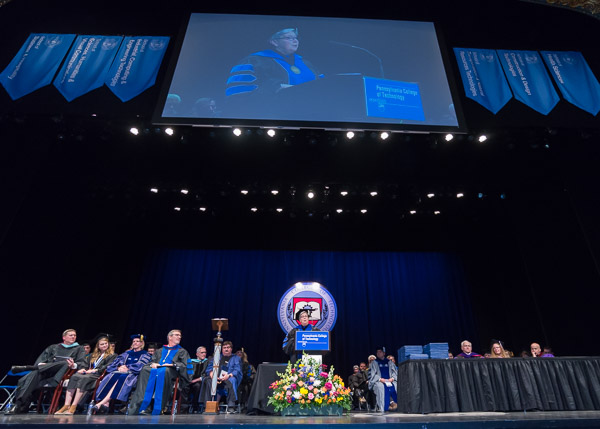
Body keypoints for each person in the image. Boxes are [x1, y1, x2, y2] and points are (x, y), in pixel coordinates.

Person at [225, 28, 323, 116]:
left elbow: (322, 85)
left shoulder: (305, 63)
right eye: (289, 38)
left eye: (296, 37)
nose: (295, 41)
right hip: (273, 116)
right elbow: (237, 96)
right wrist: (275, 88)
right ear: (274, 42)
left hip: (311, 115)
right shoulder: (254, 61)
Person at [6, 329, 86, 414]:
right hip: (45, 372)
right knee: (32, 375)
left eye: (75, 335)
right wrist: (42, 364)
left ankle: (28, 367)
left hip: (62, 374)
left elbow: (82, 363)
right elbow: (41, 361)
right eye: (71, 335)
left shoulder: (79, 348)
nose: (73, 337)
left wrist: (73, 365)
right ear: (64, 337)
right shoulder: (53, 347)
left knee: (65, 362)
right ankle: (19, 405)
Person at [128, 330, 191, 415]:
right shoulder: (160, 350)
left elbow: (185, 365)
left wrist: (172, 364)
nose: (179, 337)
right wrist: (153, 364)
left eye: (180, 335)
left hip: (170, 371)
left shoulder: (182, 351)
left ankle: (157, 407)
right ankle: (141, 405)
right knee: (145, 369)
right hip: (157, 370)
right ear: (170, 337)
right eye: (177, 335)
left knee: (164, 370)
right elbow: (152, 361)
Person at [54, 336, 116, 414]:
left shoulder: (113, 355)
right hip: (88, 373)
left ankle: (74, 405)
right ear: (98, 346)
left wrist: (96, 370)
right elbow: (85, 364)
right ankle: (66, 405)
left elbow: (109, 366)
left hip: (98, 375)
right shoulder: (93, 355)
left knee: (83, 378)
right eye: (102, 344)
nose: (104, 345)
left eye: (105, 343)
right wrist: (83, 368)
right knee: (74, 376)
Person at [92, 334, 152, 413]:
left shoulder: (145, 355)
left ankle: (102, 403)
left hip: (133, 375)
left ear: (142, 343)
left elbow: (140, 366)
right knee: (111, 376)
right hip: (120, 373)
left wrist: (127, 367)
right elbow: (113, 364)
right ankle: (105, 404)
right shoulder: (126, 354)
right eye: (134, 341)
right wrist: (118, 368)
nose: (135, 343)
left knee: (121, 378)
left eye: (137, 341)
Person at [199, 341, 242, 412]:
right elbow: (209, 368)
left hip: (228, 377)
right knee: (207, 380)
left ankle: (231, 405)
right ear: (222, 349)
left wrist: (228, 375)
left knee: (232, 380)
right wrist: (212, 374)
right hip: (216, 377)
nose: (226, 349)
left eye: (228, 347)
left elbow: (237, 370)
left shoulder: (236, 358)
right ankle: (207, 405)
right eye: (224, 348)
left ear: (231, 349)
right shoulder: (217, 357)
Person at [368, 346, 397, 413]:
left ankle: (396, 405)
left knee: (396, 385)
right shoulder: (374, 363)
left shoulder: (389, 362)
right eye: (377, 352)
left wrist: (392, 378)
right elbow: (372, 375)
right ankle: (384, 407)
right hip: (379, 381)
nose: (378, 353)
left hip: (390, 380)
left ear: (384, 353)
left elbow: (394, 372)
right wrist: (380, 379)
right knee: (380, 387)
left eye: (380, 352)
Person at [187, 346, 209, 413]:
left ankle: (195, 407)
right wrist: (189, 380)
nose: (204, 354)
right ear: (197, 354)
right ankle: (183, 407)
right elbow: (187, 372)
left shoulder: (207, 362)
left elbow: (206, 374)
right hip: (189, 381)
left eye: (205, 352)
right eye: (202, 352)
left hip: (200, 382)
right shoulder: (191, 362)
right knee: (183, 387)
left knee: (197, 386)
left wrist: (195, 380)